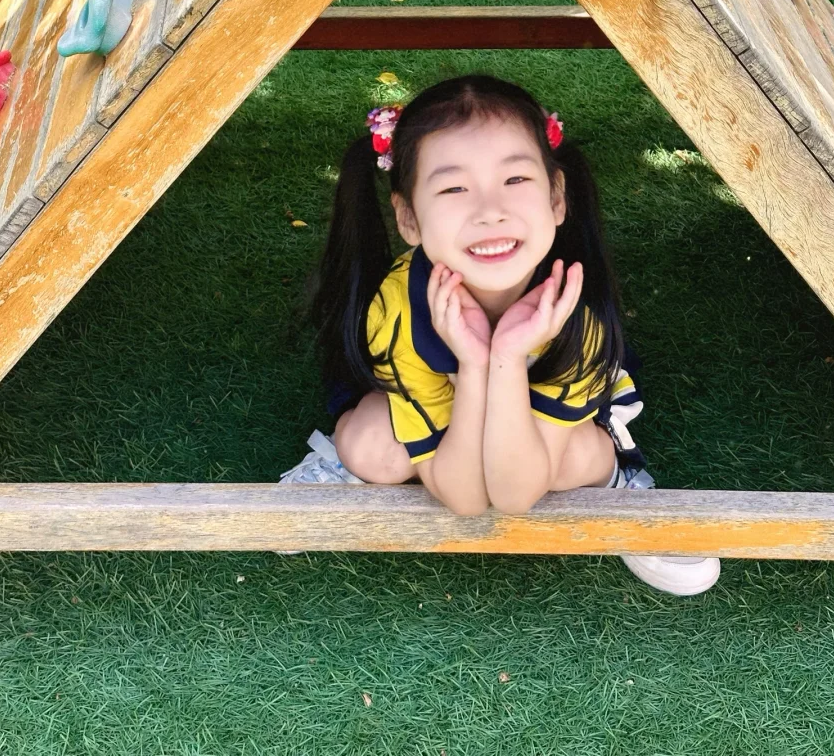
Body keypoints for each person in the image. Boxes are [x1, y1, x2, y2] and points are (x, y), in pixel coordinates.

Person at [280, 73, 719, 597]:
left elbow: (514, 496)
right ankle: (356, 459)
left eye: (515, 179)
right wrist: (473, 365)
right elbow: (466, 500)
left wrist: (507, 356)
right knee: (373, 445)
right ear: (409, 218)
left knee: (575, 462)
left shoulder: (578, 315)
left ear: (556, 197)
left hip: (545, 436)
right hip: (447, 418)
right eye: (453, 188)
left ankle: (615, 484)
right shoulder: (397, 310)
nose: (490, 211)